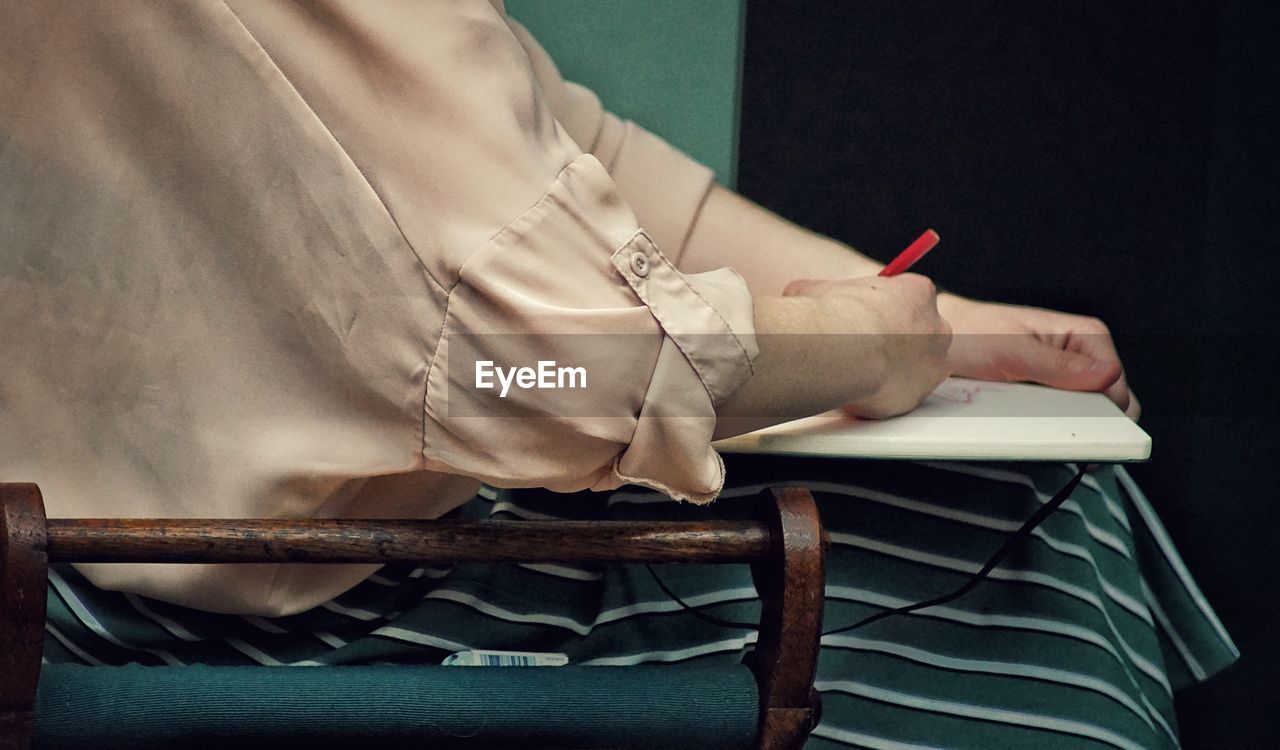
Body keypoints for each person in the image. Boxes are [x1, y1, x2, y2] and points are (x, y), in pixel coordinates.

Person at [0, 1, 1235, 748]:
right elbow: (550, 371)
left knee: (1065, 491)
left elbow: (571, 153)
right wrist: (879, 343)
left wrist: (954, 326)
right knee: (1037, 555)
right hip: (191, 613)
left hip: (206, 550)